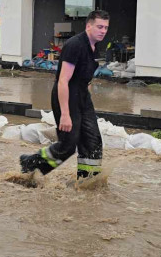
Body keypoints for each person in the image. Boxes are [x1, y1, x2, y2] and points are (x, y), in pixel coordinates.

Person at [19, 10, 110, 181]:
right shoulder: (75, 45)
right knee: (68, 145)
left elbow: (85, 79)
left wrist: (86, 105)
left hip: (82, 97)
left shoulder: (94, 47)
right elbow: (63, 81)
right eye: (99, 26)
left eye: (105, 27)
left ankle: (87, 180)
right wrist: (66, 114)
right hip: (67, 96)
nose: (103, 31)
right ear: (88, 25)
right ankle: (30, 162)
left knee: (93, 141)